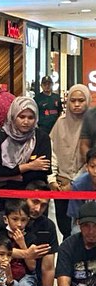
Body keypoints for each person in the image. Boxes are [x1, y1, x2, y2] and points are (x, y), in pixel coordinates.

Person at [38, 202, 96, 286]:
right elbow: (63, 284)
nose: (91, 231)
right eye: (86, 226)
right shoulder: (68, 246)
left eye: (95, 226)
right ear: (79, 224)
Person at [0, 96, 52, 200]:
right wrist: (30, 166)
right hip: (5, 195)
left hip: (35, 195)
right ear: (13, 116)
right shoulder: (0, 136)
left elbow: (42, 171)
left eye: (30, 118)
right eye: (21, 117)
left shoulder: (41, 137)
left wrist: (9, 177)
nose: (26, 122)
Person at [51, 84, 90, 238]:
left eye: (81, 100)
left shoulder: (92, 125)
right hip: (60, 184)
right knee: (64, 227)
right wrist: (52, 179)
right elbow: (52, 151)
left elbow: (92, 160)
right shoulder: (60, 123)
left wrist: (74, 183)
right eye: (73, 101)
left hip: (85, 183)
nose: (77, 104)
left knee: (83, 227)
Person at [23, 181, 59, 286]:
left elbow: (48, 268)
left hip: (34, 282)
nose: (38, 209)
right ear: (24, 198)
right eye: (35, 202)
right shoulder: (7, 218)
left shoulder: (48, 226)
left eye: (43, 205)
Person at [68, 148, 96, 233]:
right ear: (86, 167)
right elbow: (77, 217)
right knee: (76, 231)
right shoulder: (78, 185)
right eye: (92, 166)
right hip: (85, 221)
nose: (95, 171)